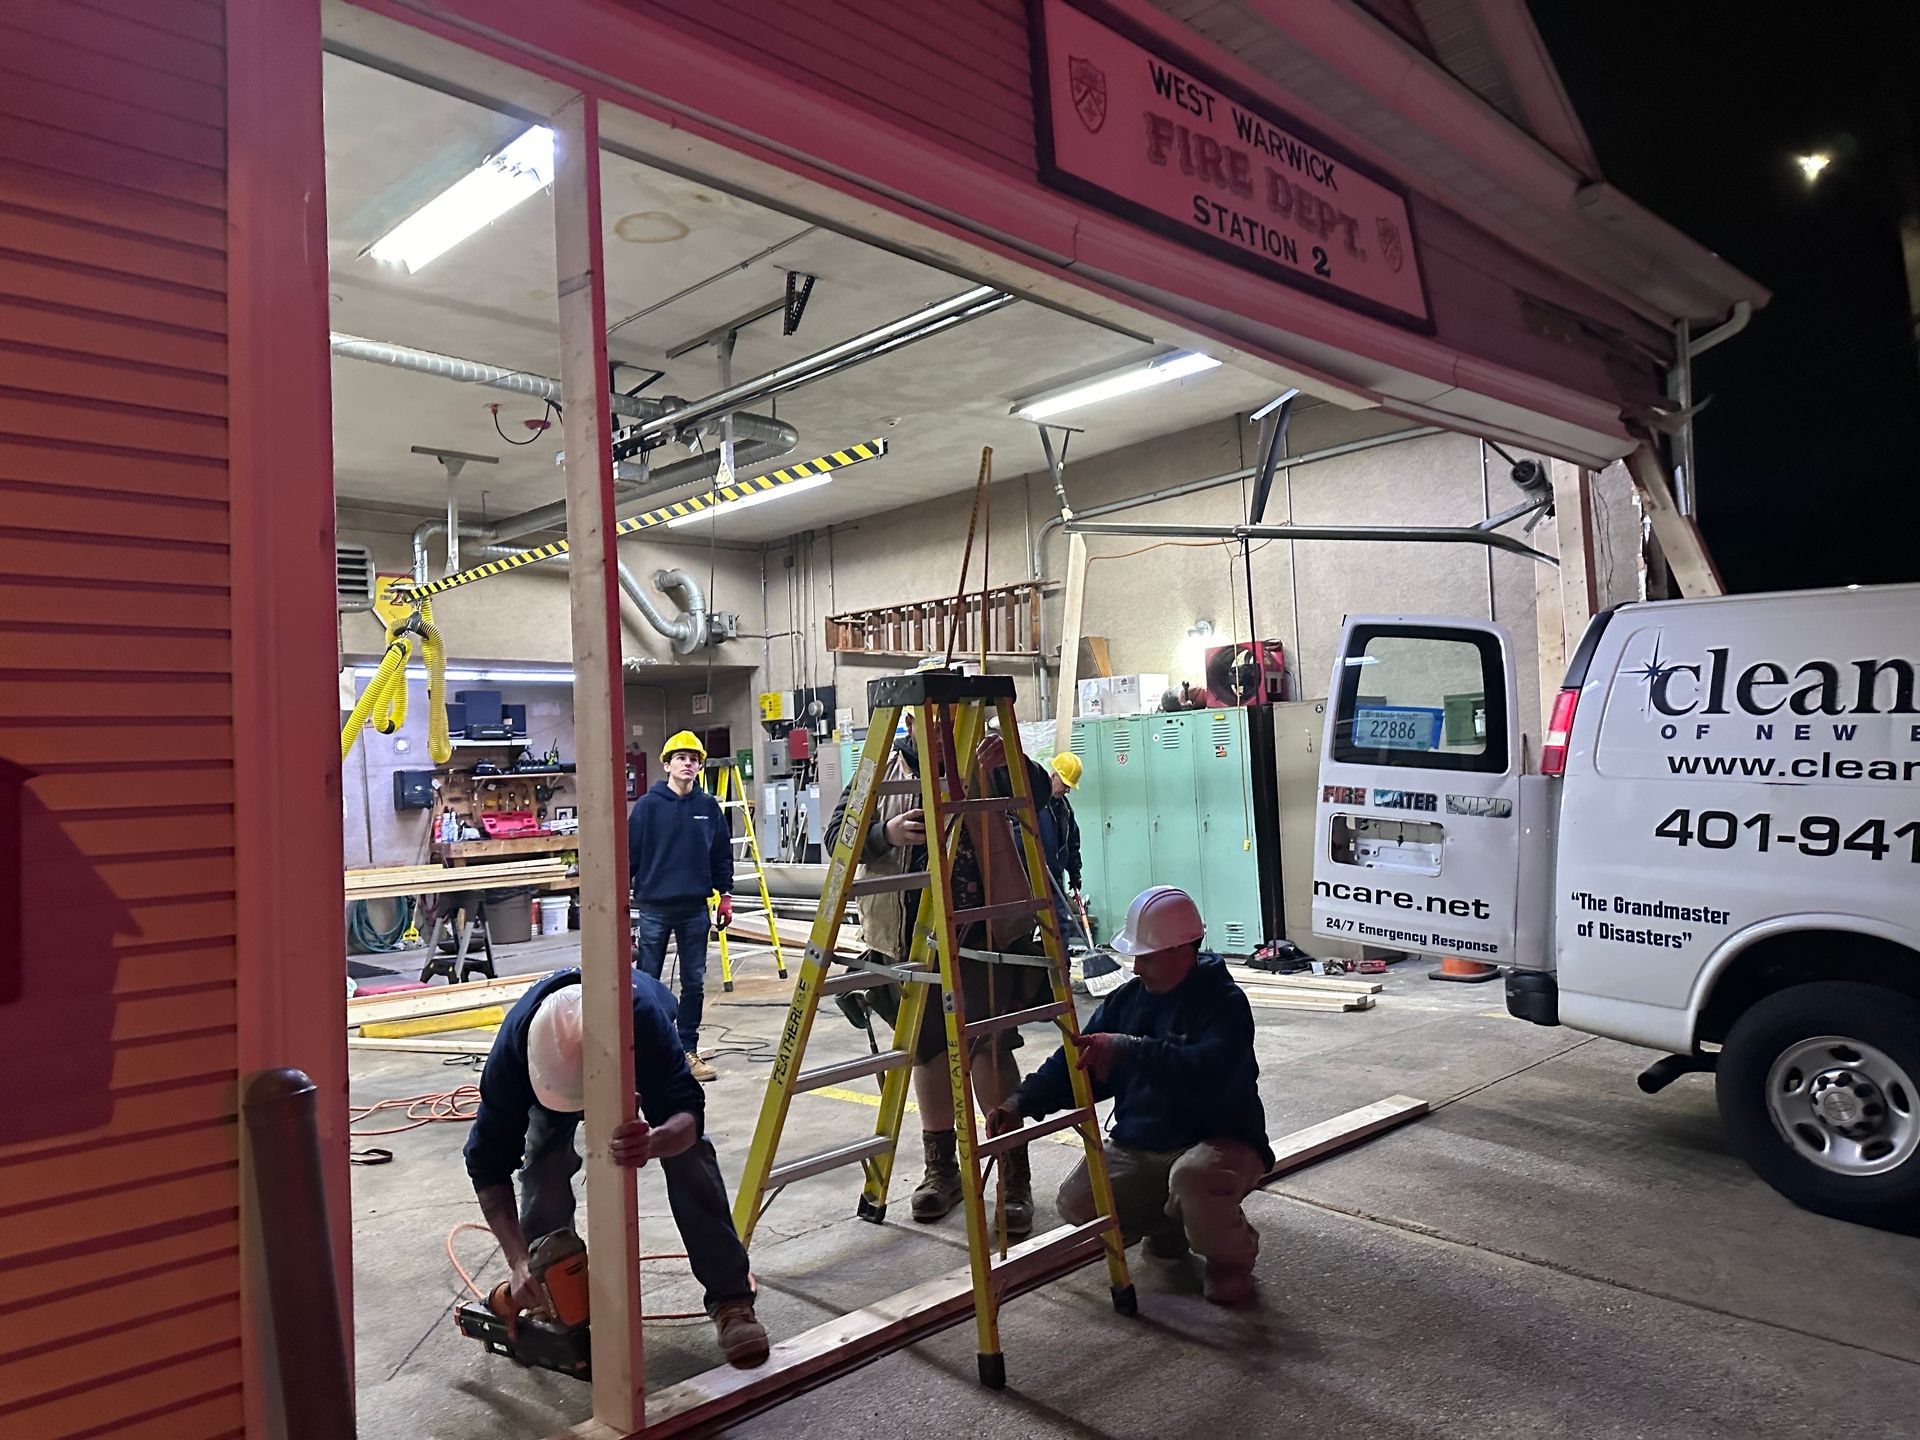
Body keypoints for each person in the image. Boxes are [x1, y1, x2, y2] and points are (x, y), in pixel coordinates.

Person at [463, 967, 770, 1366]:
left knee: (689, 1155)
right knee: (544, 1159)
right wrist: (518, 1260)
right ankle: (548, 1292)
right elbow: (486, 1164)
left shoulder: (644, 1020)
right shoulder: (512, 1057)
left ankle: (731, 1299)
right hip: (551, 1077)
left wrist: (655, 1140)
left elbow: (687, 1111)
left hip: (633, 1045)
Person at [984, 885, 1273, 1305]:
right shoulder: (1127, 1001)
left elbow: (1210, 1071)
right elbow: (1077, 1063)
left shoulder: (1223, 1002)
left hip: (1220, 1139)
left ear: (1182, 950)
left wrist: (1129, 1050)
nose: (1136, 967)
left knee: (1194, 1180)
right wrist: (1020, 1102)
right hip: (1144, 1142)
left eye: (1146, 956)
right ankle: (1170, 1223)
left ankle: (1231, 1260)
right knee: (1079, 1204)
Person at [824, 706, 1052, 1238]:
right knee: (926, 1051)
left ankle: (1012, 1176)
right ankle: (942, 1171)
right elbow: (839, 834)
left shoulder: (986, 756)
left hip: (981, 934)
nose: (942, 725)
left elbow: (1038, 794)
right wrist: (886, 832)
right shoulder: (883, 770)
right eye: (931, 716)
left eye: (952, 714)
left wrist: (1012, 763)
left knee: (989, 1049)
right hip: (908, 939)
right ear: (911, 721)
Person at [629, 730, 731, 1081]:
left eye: (694, 759)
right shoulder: (647, 807)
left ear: (700, 767)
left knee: (694, 983)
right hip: (653, 908)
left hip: (694, 909)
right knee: (646, 983)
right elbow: (629, 855)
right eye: (681, 758)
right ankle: (646, 1053)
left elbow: (721, 855)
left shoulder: (708, 808)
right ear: (667, 765)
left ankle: (687, 1051)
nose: (688, 764)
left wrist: (726, 895)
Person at [1044, 752, 1084, 903]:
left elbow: (1072, 842)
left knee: (1064, 916)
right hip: (1035, 880)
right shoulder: (1035, 806)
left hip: (1055, 880)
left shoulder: (1064, 808)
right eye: (1065, 784)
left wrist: (1074, 872)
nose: (1067, 790)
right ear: (1054, 775)